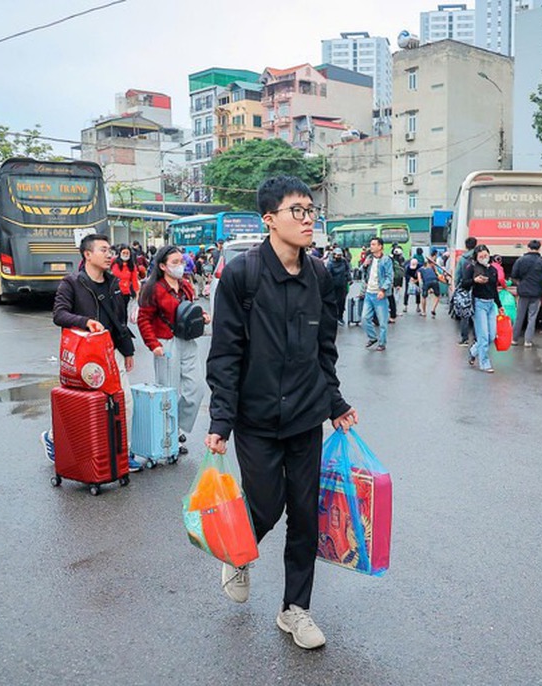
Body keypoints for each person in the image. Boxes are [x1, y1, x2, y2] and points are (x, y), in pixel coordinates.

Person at [205, 175, 357, 650]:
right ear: (269, 219)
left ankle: (296, 609)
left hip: (306, 415)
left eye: (311, 210)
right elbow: (226, 353)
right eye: (297, 210)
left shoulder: (321, 276)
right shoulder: (242, 276)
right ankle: (237, 552)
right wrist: (220, 421)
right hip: (257, 419)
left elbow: (324, 350)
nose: (308, 218)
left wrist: (335, 404)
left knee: (306, 517)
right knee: (267, 505)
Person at [41, 234, 140, 471]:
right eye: (104, 250)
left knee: (124, 401)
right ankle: (53, 438)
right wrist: (85, 321)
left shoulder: (114, 283)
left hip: (110, 352)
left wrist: (127, 350)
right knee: (81, 406)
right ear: (87, 254)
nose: (110, 255)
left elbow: (120, 322)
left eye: (111, 251)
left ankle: (123, 454)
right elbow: (59, 314)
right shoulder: (72, 283)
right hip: (83, 356)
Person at [137, 245, 210, 458]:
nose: (181, 266)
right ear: (162, 266)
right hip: (165, 343)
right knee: (168, 391)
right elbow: (144, 319)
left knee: (196, 388)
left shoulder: (186, 285)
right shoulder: (154, 288)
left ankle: (175, 426)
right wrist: (153, 344)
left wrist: (203, 315)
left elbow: (191, 309)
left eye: (181, 261)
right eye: (175, 262)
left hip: (187, 340)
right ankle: (168, 437)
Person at [463, 245, 503, 373]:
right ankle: (484, 363)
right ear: (476, 257)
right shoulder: (471, 268)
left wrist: (499, 305)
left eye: (486, 255)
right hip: (478, 303)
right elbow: (464, 283)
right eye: (481, 256)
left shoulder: (493, 270)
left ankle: (473, 351)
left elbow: (494, 289)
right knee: (483, 336)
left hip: (491, 304)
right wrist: (475, 281)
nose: (484, 258)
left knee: (491, 336)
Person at [509, 240, 542, 347]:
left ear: (528, 248)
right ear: (539, 248)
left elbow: (514, 274)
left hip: (523, 292)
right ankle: (528, 341)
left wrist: (520, 283)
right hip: (536, 293)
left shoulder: (520, 260)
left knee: (520, 316)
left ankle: (514, 339)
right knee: (532, 317)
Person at [360, 237, 393, 351]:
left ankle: (382, 343)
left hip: (379, 294)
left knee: (382, 321)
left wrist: (383, 290)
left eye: (374, 244)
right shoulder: (369, 258)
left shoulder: (386, 260)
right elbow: (362, 272)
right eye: (371, 244)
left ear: (380, 247)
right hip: (369, 293)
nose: (371, 247)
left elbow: (389, 277)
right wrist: (364, 265)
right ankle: (372, 337)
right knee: (364, 318)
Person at [455, 237, 478, 346]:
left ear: (466, 246)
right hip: (478, 288)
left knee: (465, 314)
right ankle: (476, 338)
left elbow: (458, 275)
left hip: (465, 289)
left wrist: (456, 287)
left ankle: (464, 339)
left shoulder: (463, 259)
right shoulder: (480, 256)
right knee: (477, 314)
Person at [111, 244, 143, 316]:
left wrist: (137, 294)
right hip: (114, 293)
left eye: (127, 253)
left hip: (125, 293)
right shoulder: (113, 262)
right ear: (120, 253)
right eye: (124, 253)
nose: (125, 255)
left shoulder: (131, 266)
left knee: (123, 313)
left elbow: (134, 280)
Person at [326, 247, 351, 325]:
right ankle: (334, 317)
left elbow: (348, 270)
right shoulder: (330, 263)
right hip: (333, 286)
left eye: (340, 255)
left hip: (342, 285)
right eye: (338, 255)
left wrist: (349, 278)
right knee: (334, 302)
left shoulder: (344, 261)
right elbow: (328, 274)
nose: (339, 257)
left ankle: (340, 316)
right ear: (334, 255)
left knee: (342, 302)